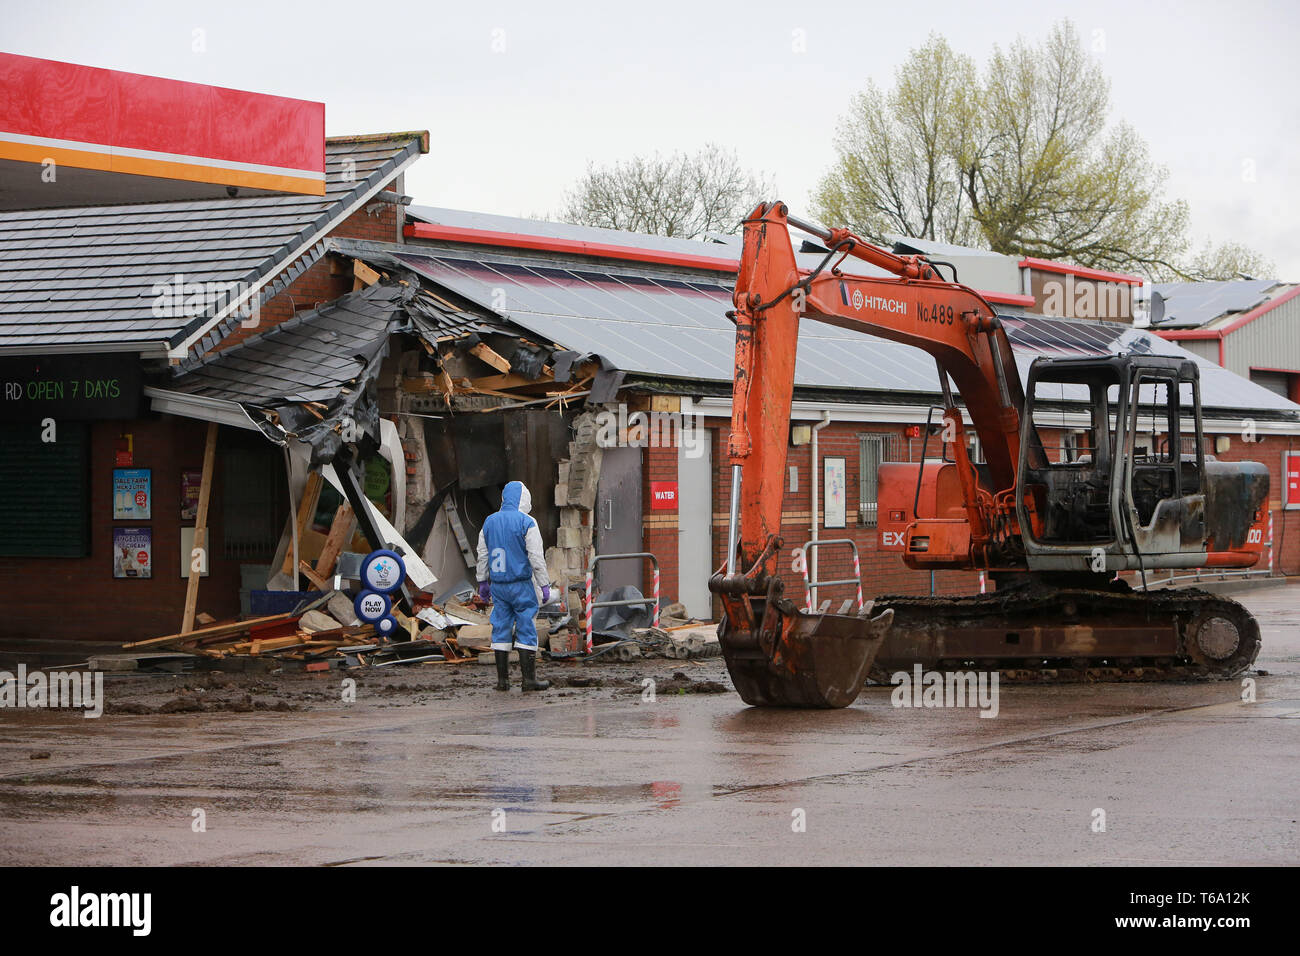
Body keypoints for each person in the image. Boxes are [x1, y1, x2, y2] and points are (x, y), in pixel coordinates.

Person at [476, 480, 552, 692]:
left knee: (500, 627)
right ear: (524, 498)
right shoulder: (526, 522)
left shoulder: (489, 522)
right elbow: (536, 556)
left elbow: (482, 554)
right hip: (521, 584)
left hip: (498, 586)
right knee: (526, 625)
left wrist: (482, 581)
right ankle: (529, 680)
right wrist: (544, 584)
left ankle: (503, 681)